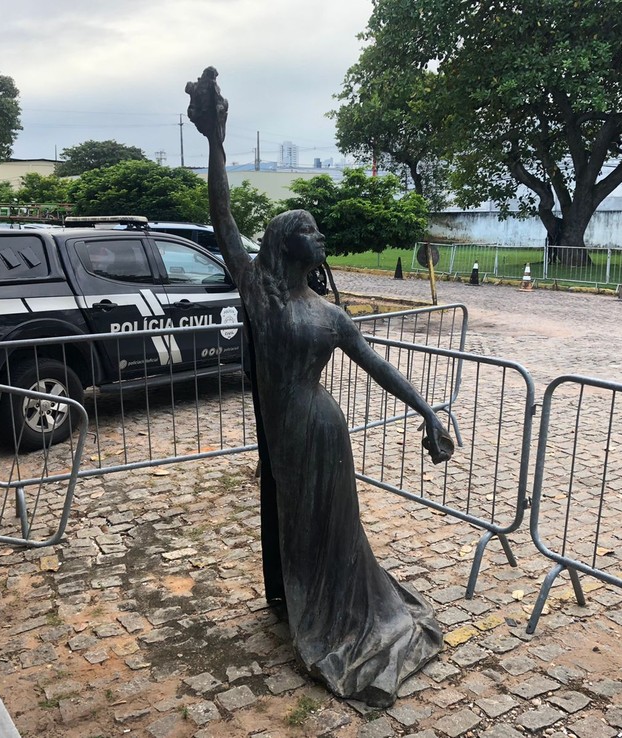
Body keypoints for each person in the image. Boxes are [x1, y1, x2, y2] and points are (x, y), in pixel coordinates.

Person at [186, 67, 455, 708]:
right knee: (297, 524)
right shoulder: (259, 288)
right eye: (308, 231)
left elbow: (378, 367)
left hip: (321, 429)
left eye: (318, 231)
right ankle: (304, 606)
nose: (320, 238)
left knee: (333, 528)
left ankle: (340, 618)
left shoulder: (330, 314)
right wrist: (216, 142)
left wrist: (428, 410)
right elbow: (220, 214)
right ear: (285, 243)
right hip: (288, 429)